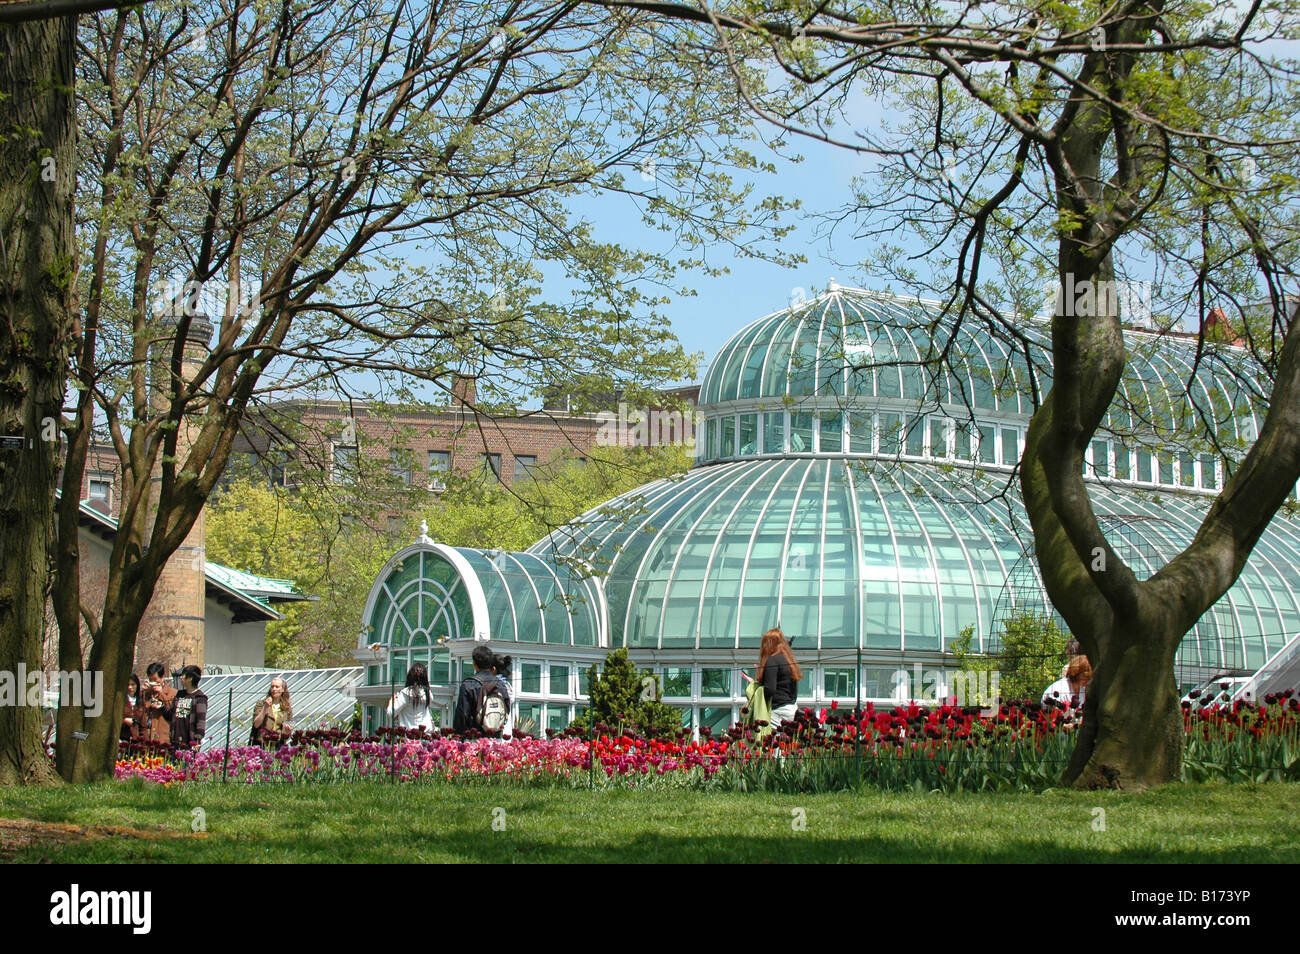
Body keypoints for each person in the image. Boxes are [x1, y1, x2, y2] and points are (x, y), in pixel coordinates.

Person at [742, 628, 802, 728]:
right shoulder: (788, 660)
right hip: (791, 709)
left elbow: (770, 690)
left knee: (768, 739)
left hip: (777, 710)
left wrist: (756, 688)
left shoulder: (772, 660)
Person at [453, 644, 509, 736]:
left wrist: (458, 736)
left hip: (473, 738)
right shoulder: (501, 685)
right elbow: (506, 709)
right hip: (495, 740)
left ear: (474, 664)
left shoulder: (468, 685)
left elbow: (462, 715)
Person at [169, 665, 208, 751]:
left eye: (183, 675)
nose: (181, 678)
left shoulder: (199, 698)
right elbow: (170, 715)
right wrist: (161, 707)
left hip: (189, 742)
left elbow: (201, 721)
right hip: (175, 741)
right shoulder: (179, 695)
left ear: (190, 678)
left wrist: (197, 740)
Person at [387, 663, 434, 733]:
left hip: (409, 736)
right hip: (425, 735)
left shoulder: (405, 693)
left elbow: (391, 713)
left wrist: (391, 702)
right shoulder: (428, 693)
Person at [142, 662, 176, 746]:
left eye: (155, 679)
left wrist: (161, 693)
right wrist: (142, 692)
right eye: (150, 680)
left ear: (162, 677)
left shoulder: (172, 693)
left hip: (163, 738)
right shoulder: (146, 693)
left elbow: (171, 712)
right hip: (147, 739)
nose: (153, 682)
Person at [252, 676, 293, 744]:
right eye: (272, 686)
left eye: (277, 687)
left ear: (283, 689)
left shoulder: (286, 707)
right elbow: (256, 724)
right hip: (262, 743)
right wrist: (265, 707)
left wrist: (288, 731)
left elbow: (287, 730)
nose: (274, 689)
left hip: (279, 744)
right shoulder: (261, 704)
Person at [492, 652, 515, 736]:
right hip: (506, 727)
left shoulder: (494, 685)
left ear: (493, 669)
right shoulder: (507, 685)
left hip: (494, 728)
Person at [121, 673, 147, 743]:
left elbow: (143, 727)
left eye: (132, 684)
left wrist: (144, 745)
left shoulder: (140, 702)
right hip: (121, 739)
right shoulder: (120, 700)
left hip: (135, 741)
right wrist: (124, 720)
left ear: (137, 685)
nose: (130, 687)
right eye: (127, 685)